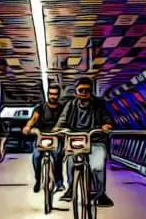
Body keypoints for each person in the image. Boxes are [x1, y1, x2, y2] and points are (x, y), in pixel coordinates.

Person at [55, 76, 115, 207]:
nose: (83, 93)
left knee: (98, 166)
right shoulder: (70, 104)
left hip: (95, 140)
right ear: (76, 91)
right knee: (70, 162)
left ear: (91, 91)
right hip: (76, 141)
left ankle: (101, 194)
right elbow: (62, 120)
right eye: (81, 90)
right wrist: (58, 128)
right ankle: (71, 189)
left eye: (87, 90)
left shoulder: (99, 104)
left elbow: (108, 119)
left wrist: (106, 126)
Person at [22, 84, 65, 192]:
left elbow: (67, 121)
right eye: (51, 94)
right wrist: (28, 127)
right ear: (48, 94)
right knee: (36, 156)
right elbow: (33, 119)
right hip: (42, 137)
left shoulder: (63, 109)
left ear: (58, 95)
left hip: (57, 137)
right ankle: (38, 180)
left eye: (55, 94)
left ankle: (59, 182)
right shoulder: (40, 108)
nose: (53, 96)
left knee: (57, 156)